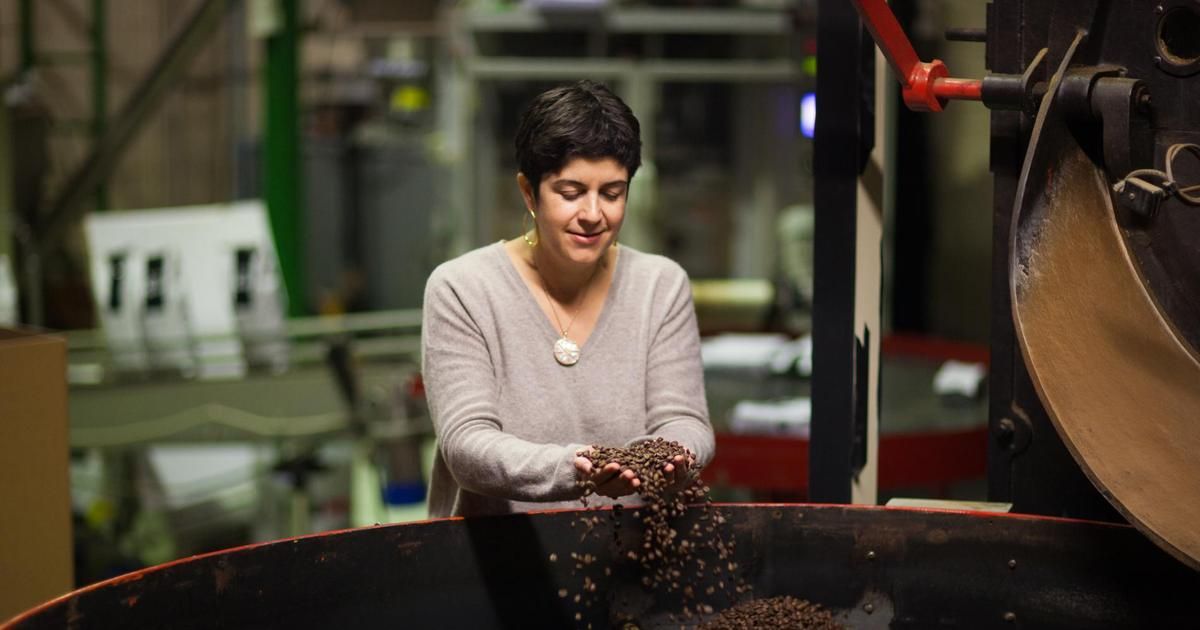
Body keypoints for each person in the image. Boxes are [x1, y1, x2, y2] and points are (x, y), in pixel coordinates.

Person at [422, 80, 714, 518]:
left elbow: (685, 421)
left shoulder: (660, 285)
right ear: (529, 192)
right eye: (571, 193)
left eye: (612, 193)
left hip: (631, 548)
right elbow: (466, 445)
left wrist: (666, 456)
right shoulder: (464, 289)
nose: (593, 214)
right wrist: (578, 468)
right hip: (495, 551)